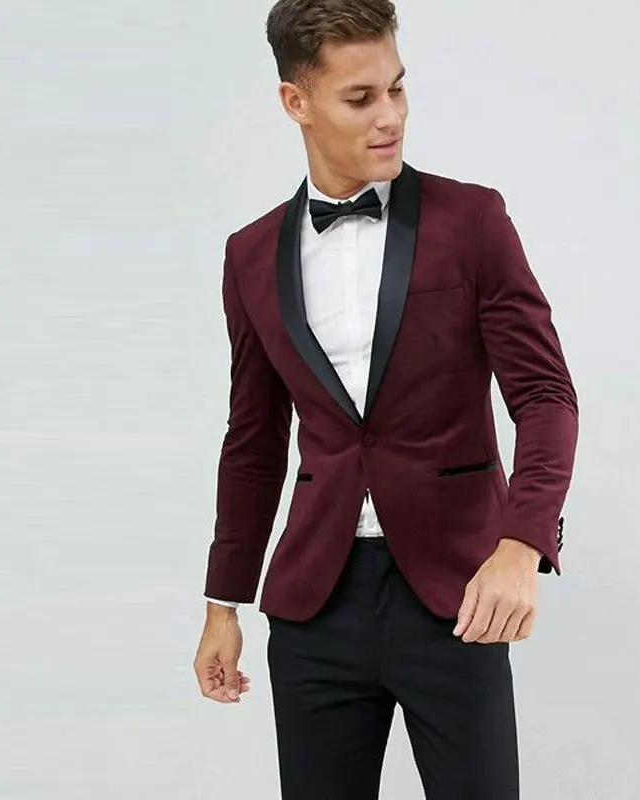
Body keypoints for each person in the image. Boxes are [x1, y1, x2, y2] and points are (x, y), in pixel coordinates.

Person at [192, 1, 578, 797]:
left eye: (397, 89)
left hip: (454, 596)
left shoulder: (472, 221)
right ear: (296, 102)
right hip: (314, 607)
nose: (390, 116)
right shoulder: (250, 255)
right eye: (360, 98)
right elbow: (254, 441)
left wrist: (521, 545)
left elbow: (545, 396)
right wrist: (223, 601)